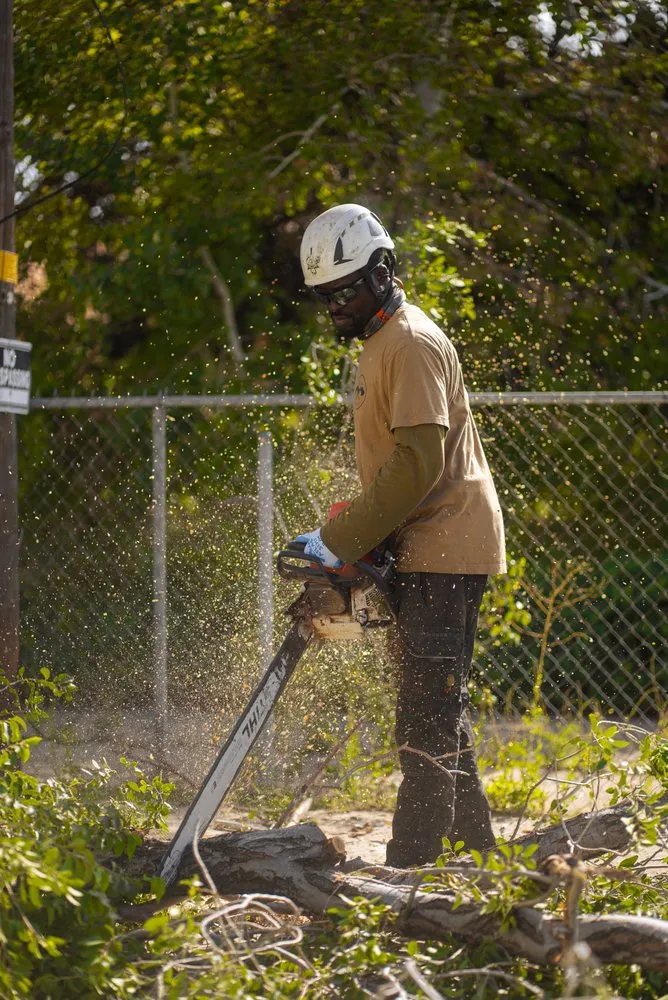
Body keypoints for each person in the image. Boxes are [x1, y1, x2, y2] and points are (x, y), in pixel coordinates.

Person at [292, 203, 506, 867]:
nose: (334, 308)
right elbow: (397, 469)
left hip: (447, 545)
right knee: (435, 709)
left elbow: (418, 465)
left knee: (424, 720)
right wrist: (353, 534)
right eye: (325, 297)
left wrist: (341, 538)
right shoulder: (380, 345)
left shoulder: (410, 342)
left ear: (382, 272)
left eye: (344, 293)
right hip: (420, 545)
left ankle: (412, 870)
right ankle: (478, 858)